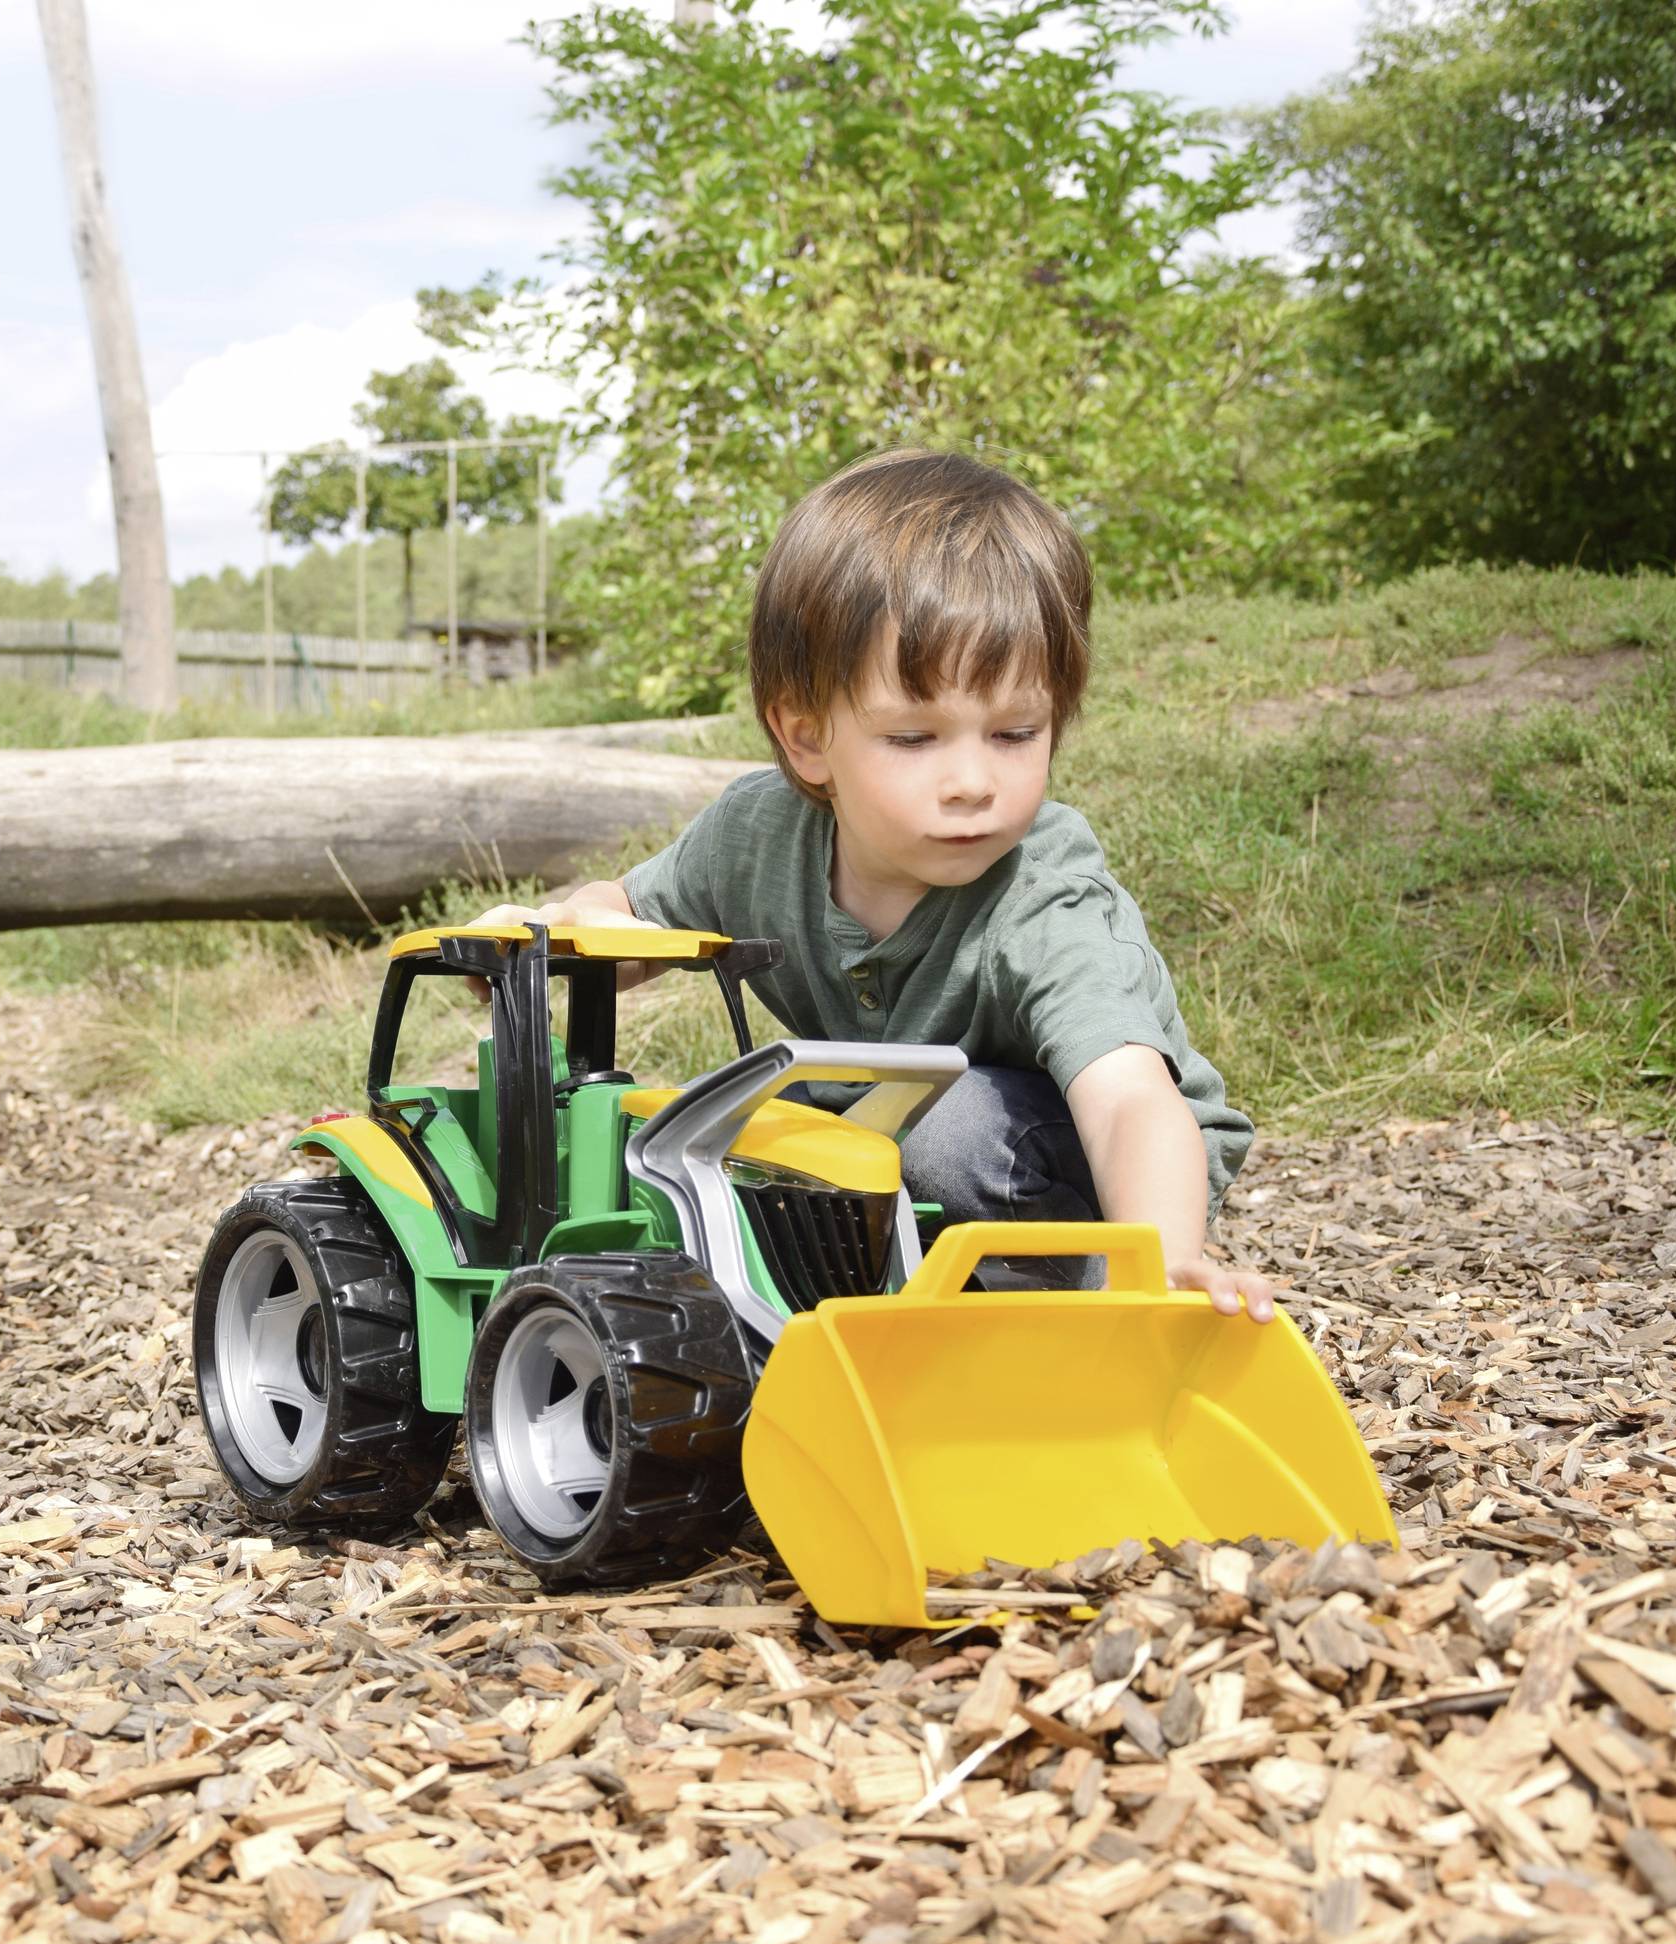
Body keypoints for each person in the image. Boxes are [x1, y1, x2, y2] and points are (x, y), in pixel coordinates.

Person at [487, 447, 1276, 1317]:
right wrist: (568, 926)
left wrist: (1161, 1257)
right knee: (743, 1133)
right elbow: (634, 919)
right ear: (807, 737)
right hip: (888, 1123)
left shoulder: (1040, 895)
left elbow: (1127, 1097)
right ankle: (872, 1293)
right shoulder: (756, 836)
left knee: (945, 1132)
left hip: (1085, 1153)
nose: (973, 780)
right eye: (914, 738)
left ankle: (1061, 1295)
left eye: (1015, 734)